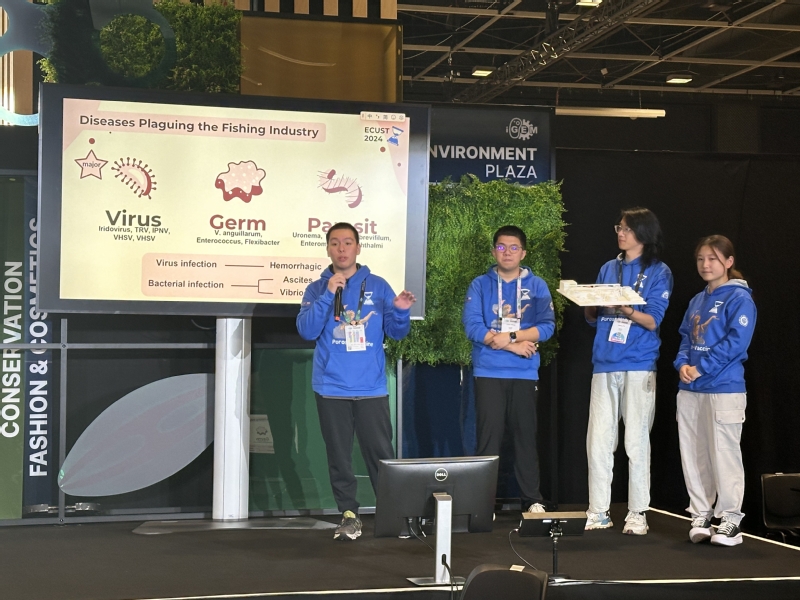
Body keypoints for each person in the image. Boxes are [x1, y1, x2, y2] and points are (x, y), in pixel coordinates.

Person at [297, 222, 416, 541]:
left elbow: (397, 332)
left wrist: (401, 311)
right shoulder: (317, 289)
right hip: (331, 388)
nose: (341, 248)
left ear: (358, 248)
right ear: (328, 249)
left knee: (381, 456)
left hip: (370, 388)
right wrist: (328, 295)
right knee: (339, 458)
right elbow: (307, 331)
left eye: (348, 242)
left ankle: (393, 516)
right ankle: (349, 516)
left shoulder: (378, 286)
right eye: (335, 243)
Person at [584, 208, 673, 535]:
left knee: (636, 441)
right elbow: (593, 319)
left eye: (627, 228)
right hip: (604, 362)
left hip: (638, 363)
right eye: (618, 227)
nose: (620, 233)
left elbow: (653, 320)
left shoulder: (659, 271)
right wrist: (589, 303)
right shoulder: (609, 267)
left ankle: (637, 513)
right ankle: (598, 510)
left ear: (643, 233)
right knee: (598, 441)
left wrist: (626, 308)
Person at [462, 225, 556, 514]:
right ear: (494, 251)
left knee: (525, 438)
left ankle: (532, 499)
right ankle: (482, 503)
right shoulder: (480, 284)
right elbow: (473, 326)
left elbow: (547, 327)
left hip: (524, 374)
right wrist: (512, 346)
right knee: (488, 440)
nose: (507, 253)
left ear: (523, 253)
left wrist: (512, 336)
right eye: (501, 247)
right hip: (489, 372)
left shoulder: (537, 286)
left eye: (514, 248)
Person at [674, 235, 756, 547]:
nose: (706, 265)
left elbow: (736, 343)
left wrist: (702, 367)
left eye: (713, 258)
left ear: (728, 262)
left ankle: (731, 520)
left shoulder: (739, 298)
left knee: (724, 454)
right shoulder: (698, 299)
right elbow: (686, 336)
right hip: (690, 389)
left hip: (724, 388)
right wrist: (682, 363)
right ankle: (701, 515)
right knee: (694, 454)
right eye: (701, 259)